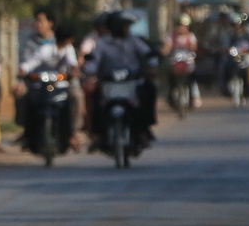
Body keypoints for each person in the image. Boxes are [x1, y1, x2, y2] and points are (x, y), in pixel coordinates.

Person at [84, 11, 157, 144]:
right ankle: (98, 133)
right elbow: (94, 60)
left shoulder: (134, 41)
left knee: (149, 90)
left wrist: (152, 65)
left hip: (132, 81)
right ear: (116, 26)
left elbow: (148, 54)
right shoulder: (102, 43)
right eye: (125, 25)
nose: (127, 29)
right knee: (94, 98)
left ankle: (143, 129)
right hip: (108, 82)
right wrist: (90, 72)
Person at [165, 13, 201, 108]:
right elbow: (166, 47)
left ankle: (194, 96)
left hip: (188, 62)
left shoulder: (191, 36)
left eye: (184, 26)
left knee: (192, 78)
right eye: (180, 26)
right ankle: (170, 96)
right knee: (171, 77)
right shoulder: (171, 37)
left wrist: (190, 46)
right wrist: (165, 51)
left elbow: (194, 47)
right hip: (175, 62)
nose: (182, 28)